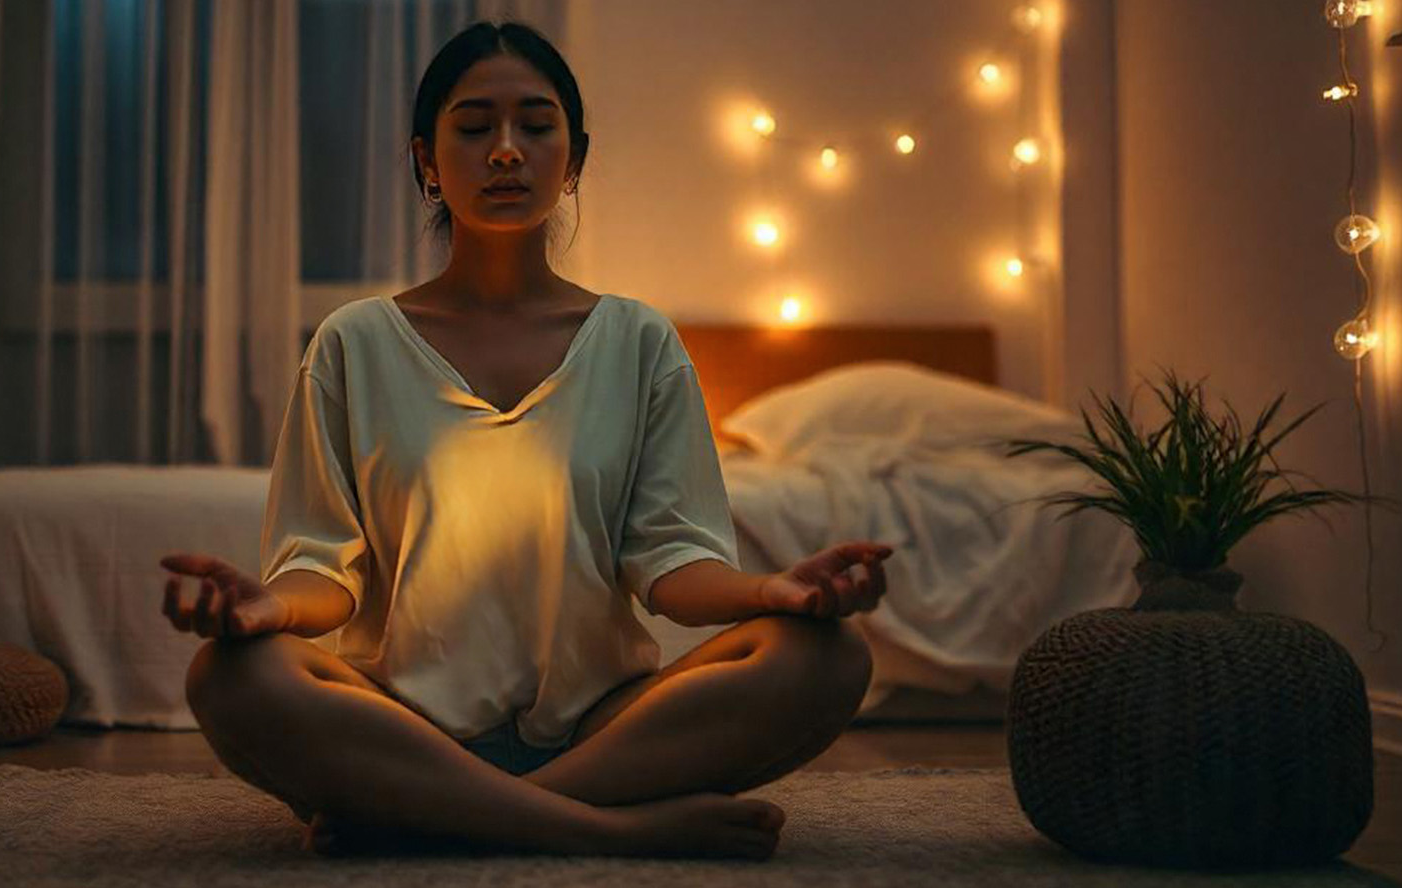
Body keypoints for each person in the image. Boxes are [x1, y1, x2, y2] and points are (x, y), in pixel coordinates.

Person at [157, 20, 891, 861]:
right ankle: (608, 829)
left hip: (599, 726)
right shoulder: (352, 343)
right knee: (231, 675)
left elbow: (673, 565)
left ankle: (427, 818)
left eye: (535, 127)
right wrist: (267, 606)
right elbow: (321, 570)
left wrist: (774, 593)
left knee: (827, 659)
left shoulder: (638, 342)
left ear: (573, 159)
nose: (505, 151)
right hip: (398, 722)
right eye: (473, 129)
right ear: (427, 163)